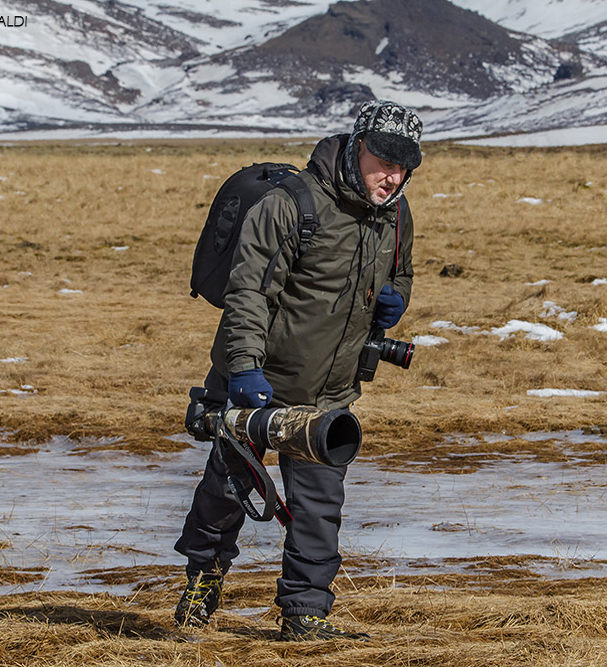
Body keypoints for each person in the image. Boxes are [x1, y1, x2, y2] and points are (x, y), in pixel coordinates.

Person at [174, 100, 422, 641]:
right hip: (260, 382)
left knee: (319, 507)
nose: (392, 175)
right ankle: (202, 579)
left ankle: (305, 616)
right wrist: (243, 368)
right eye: (383, 160)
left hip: (329, 391)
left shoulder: (397, 215)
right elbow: (247, 295)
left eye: (404, 165)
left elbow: (401, 271)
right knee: (229, 488)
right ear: (357, 147)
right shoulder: (292, 205)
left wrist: (394, 300)